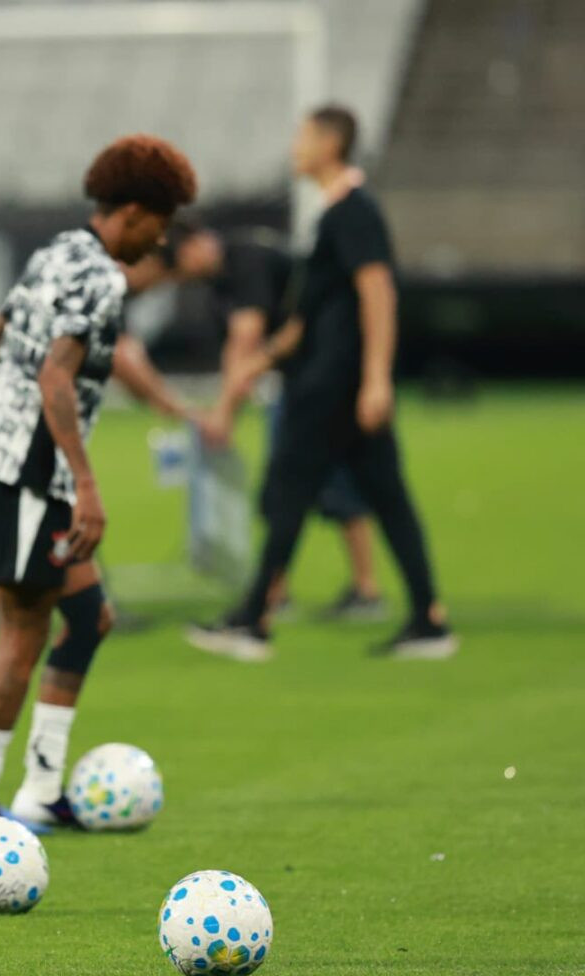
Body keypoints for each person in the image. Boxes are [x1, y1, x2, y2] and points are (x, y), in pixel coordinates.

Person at [0, 135, 199, 836]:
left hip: (6, 461)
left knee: (90, 618)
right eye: (162, 221)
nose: (163, 237)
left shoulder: (56, 251)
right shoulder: (104, 278)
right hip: (32, 476)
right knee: (22, 636)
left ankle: (42, 789)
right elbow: (55, 375)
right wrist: (85, 486)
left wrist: (2, 419)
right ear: (136, 211)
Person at [188, 105, 457, 661]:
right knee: (387, 496)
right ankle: (429, 620)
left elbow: (378, 292)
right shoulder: (333, 217)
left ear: (330, 143)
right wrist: (259, 363)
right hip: (334, 378)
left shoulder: (353, 212)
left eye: (303, 137)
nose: (294, 148)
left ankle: (253, 619)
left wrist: (377, 379)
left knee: (288, 488)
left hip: (335, 382)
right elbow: (308, 318)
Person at [159, 219, 387, 620]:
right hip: (301, 380)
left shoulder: (246, 262)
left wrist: (224, 413)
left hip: (323, 378)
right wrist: (227, 409)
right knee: (296, 484)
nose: (183, 276)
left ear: (196, 244)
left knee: (313, 482)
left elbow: (247, 339)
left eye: (180, 265)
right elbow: (240, 351)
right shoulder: (224, 279)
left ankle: (355, 592)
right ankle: (283, 591)